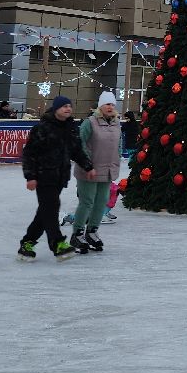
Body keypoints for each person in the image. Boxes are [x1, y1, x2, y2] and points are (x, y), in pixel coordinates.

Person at [17, 96, 95, 261]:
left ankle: (27, 244)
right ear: (56, 108)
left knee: (44, 212)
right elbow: (29, 154)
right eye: (64, 106)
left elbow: (76, 151)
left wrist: (88, 166)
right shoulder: (42, 128)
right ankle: (58, 243)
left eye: (69, 106)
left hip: (60, 176)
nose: (68, 109)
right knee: (51, 208)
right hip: (43, 175)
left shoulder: (71, 128)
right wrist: (30, 177)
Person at [69, 92, 121, 254]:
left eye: (112, 104)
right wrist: (86, 163)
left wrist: (117, 159)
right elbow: (80, 144)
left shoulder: (116, 124)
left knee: (101, 202)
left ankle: (92, 231)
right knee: (87, 201)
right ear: (100, 106)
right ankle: (77, 234)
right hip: (89, 169)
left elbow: (118, 145)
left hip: (108, 170)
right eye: (107, 104)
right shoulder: (89, 123)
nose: (110, 107)